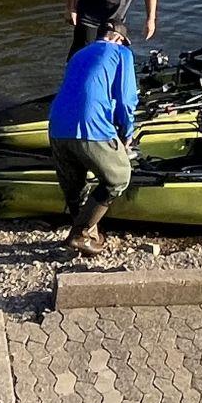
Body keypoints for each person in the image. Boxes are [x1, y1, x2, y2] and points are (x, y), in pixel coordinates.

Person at [48, 19, 137, 254]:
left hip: (56, 125)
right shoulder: (122, 53)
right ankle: (81, 234)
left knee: (76, 187)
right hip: (90, 126)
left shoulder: (79, 54)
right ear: (118, 38)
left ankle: (89, 235)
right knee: (118, 178)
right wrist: (127, 132)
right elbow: (126, 99)